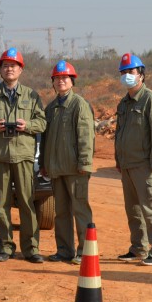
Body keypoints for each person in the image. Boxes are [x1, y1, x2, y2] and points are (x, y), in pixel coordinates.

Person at [0, 47, 48, 263]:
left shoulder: (31, 95)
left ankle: (31, 248)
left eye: (13, 66)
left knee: (27, 202)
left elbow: (42, 122)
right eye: (5, 66)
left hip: (24, 156)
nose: (9, 69)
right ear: (1, 69)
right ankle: (6, 247)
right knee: (2, 204)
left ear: (20, 70)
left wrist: (27, 125)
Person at [114, 52, 152, 266]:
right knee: (133, 210)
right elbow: (119, 133)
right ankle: (138, 248)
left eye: (131, 71)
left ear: (141, 75)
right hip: (127, 165)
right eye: (124, 72)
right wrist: (119, 159)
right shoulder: (124, 103)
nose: (127, 75)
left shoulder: (151, 100)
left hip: (145, 166)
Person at [40, 60, 96, 265]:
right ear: (53, 82)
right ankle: (64, 250)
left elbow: (85, 137)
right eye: (57, 78)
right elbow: (45, 140)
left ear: (72, 81)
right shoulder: (52, 108)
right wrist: (45, 164)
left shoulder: (79, 105)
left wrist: (84, 164)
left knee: (81, 210)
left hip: (75, 169)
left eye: (64, 78)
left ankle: (85, 251)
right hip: (56, 170)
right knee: (61, 212)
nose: (61, 81)